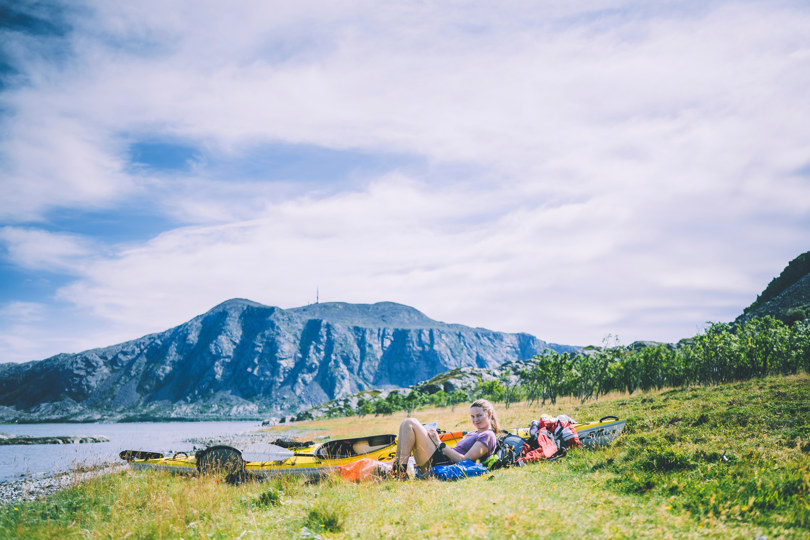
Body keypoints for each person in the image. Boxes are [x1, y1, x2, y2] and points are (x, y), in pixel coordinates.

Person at [392, 398, 500, 478]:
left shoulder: (488, 435)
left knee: (410, 422)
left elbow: (464, 460)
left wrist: (439, 443)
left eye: (479, 415)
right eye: (472, 416)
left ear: (489, 414)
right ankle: (398, 471)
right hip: (439, 459)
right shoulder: (474, 433)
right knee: (405, 424)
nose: (475, 419)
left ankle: (400, 472)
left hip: (443, 465)